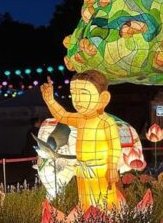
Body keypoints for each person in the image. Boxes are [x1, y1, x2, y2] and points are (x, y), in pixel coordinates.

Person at [41, 71, 122, 211]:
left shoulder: (106, 122)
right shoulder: (80, 119)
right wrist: (50, 100)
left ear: (103, 98)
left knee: (105, 202)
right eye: (74, 94)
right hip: (82, 169)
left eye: (84, 94)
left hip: (101, 170)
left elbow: (114, 146)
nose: (77, 100)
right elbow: (62, 115)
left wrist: (113, 167)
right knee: (85, 202)